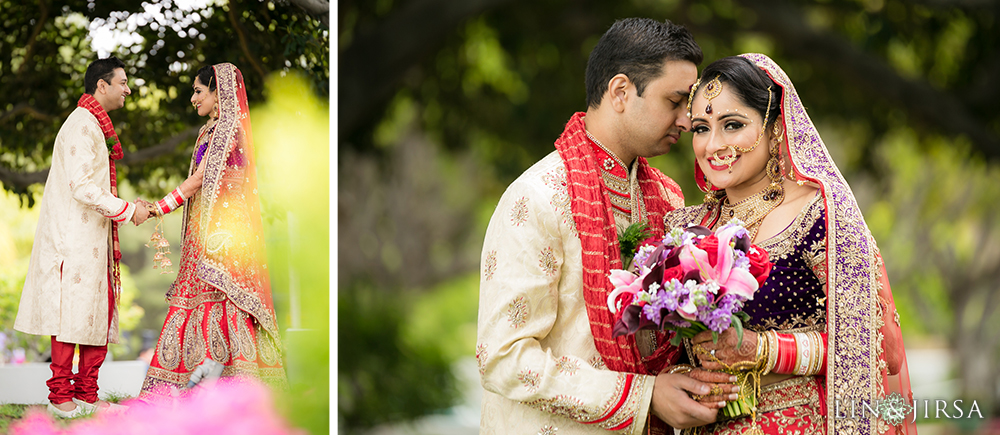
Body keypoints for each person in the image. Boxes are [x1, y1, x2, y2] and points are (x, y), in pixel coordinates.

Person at [477, 18, 740, 434]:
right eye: (674, 101)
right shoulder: (539, 198)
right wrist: (645, 396)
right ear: (620, 92)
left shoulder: (670, 199)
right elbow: (502, 358)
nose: (687, 121)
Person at [663, 53, 915, 434]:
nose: (712, 144)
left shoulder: (821, 216)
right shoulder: (685, 228)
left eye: (732, 125)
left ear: (776, 128)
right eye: (701, 128)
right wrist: (693, 377)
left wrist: (763, 350)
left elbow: (880, 348)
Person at [138, 63, 286, 398]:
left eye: (198, 91)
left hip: (223, 234)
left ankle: (225, 388)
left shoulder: (227, 129)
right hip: (205, 230)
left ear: (218, 92)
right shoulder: (212, 130)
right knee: (204, 299)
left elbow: (200, 180)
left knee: (225, 298)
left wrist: (157, 208)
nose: (193, 98)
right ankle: (198, 387)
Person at [14, 56, 150, 418]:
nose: (128, 89)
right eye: (122, 82)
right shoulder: (82, 125)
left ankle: (87, 394)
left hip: (92, 239)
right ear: (101, 85)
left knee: (95, 313)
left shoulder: (93, 124)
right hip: (72, 239)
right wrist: (126, 209)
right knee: (69, 316)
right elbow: (80, 186)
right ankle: (61, 397)